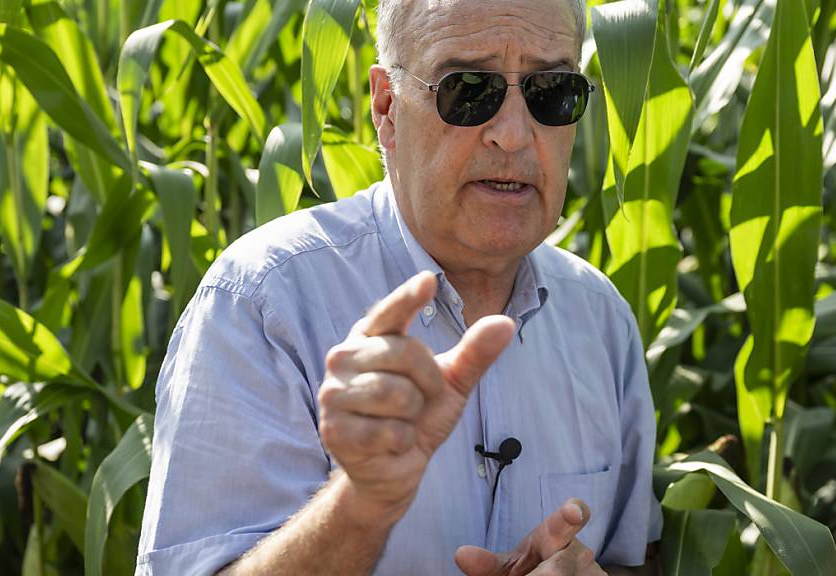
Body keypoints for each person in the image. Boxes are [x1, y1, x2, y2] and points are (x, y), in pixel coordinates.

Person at [136, 0, 662, 573]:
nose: (512, 136)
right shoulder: (264, 303)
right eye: (468, 90)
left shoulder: (600, 319)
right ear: (386, 107)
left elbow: (638, 557)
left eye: (551, 91)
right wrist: (361, 504)